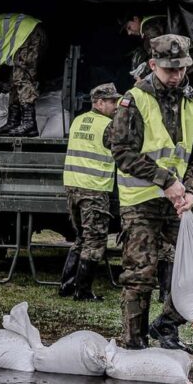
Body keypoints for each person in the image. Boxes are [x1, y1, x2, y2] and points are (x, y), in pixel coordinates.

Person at [108, 34, 193, 351]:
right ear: (153, 65)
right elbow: (122, 151)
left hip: (179, 203)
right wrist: (164, 179)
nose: (176, 75)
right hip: (141, 201)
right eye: (169, 69)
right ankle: (133, 342)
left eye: (181, 68)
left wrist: (191, 190)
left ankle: (166, 324)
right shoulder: (134, 99)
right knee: (140, 274)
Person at [59, 83, 121, 301]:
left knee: (81, 237)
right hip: (94, 189)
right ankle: (83, 291)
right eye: (112, 101)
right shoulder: (107, 125)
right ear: (99, 102)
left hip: (73, 186)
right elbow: (123, 149)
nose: (116, 105)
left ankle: (66, 285)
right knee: (95, 240)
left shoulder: (79, 120)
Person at [122, 14, 168, 79]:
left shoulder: (149, 27)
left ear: (136, 19)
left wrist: (144, 70)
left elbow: (158, 54)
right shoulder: (154, 23)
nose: (129, 33)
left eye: (129, 27)